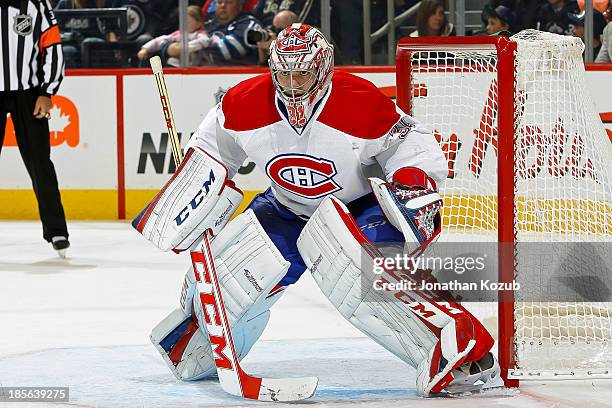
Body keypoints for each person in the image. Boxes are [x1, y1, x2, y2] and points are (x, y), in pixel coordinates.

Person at [144, 24, 500, 397]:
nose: (293, 83)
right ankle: (200, 343)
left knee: (359, 271)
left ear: (324, 66)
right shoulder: (243, 101)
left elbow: (411, 145)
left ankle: (461, 353)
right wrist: (199, 193)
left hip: (356, 208)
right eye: (285, 73)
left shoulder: (359, 100)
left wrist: (411, 182)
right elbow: (213, 149)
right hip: (285, 208)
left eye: (303, 73)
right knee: (229, 279)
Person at [1, 0, 70, 257]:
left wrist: (47, 91)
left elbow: (52, 46)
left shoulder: (33, 4)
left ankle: (56, 231)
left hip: (28, 94)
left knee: (40, 163)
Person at [136, 6, 209, 67]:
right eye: (181, 22)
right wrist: (145, 49)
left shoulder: (200, 35)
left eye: (187, 22)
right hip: (174, 67)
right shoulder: (178, 34)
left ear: (199, 24)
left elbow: (204, 41)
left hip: (195, 69)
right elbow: (160, 40)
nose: (183, 25)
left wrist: (184, 48)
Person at [200, 0, 262, 65]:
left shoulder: (250, 24)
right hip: (206, 73)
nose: (223, 5)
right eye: (219, 2)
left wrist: (196, 46)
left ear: (239, 6)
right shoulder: (207, 24)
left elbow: (228, 50)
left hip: (240, 73)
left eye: (229, 2)